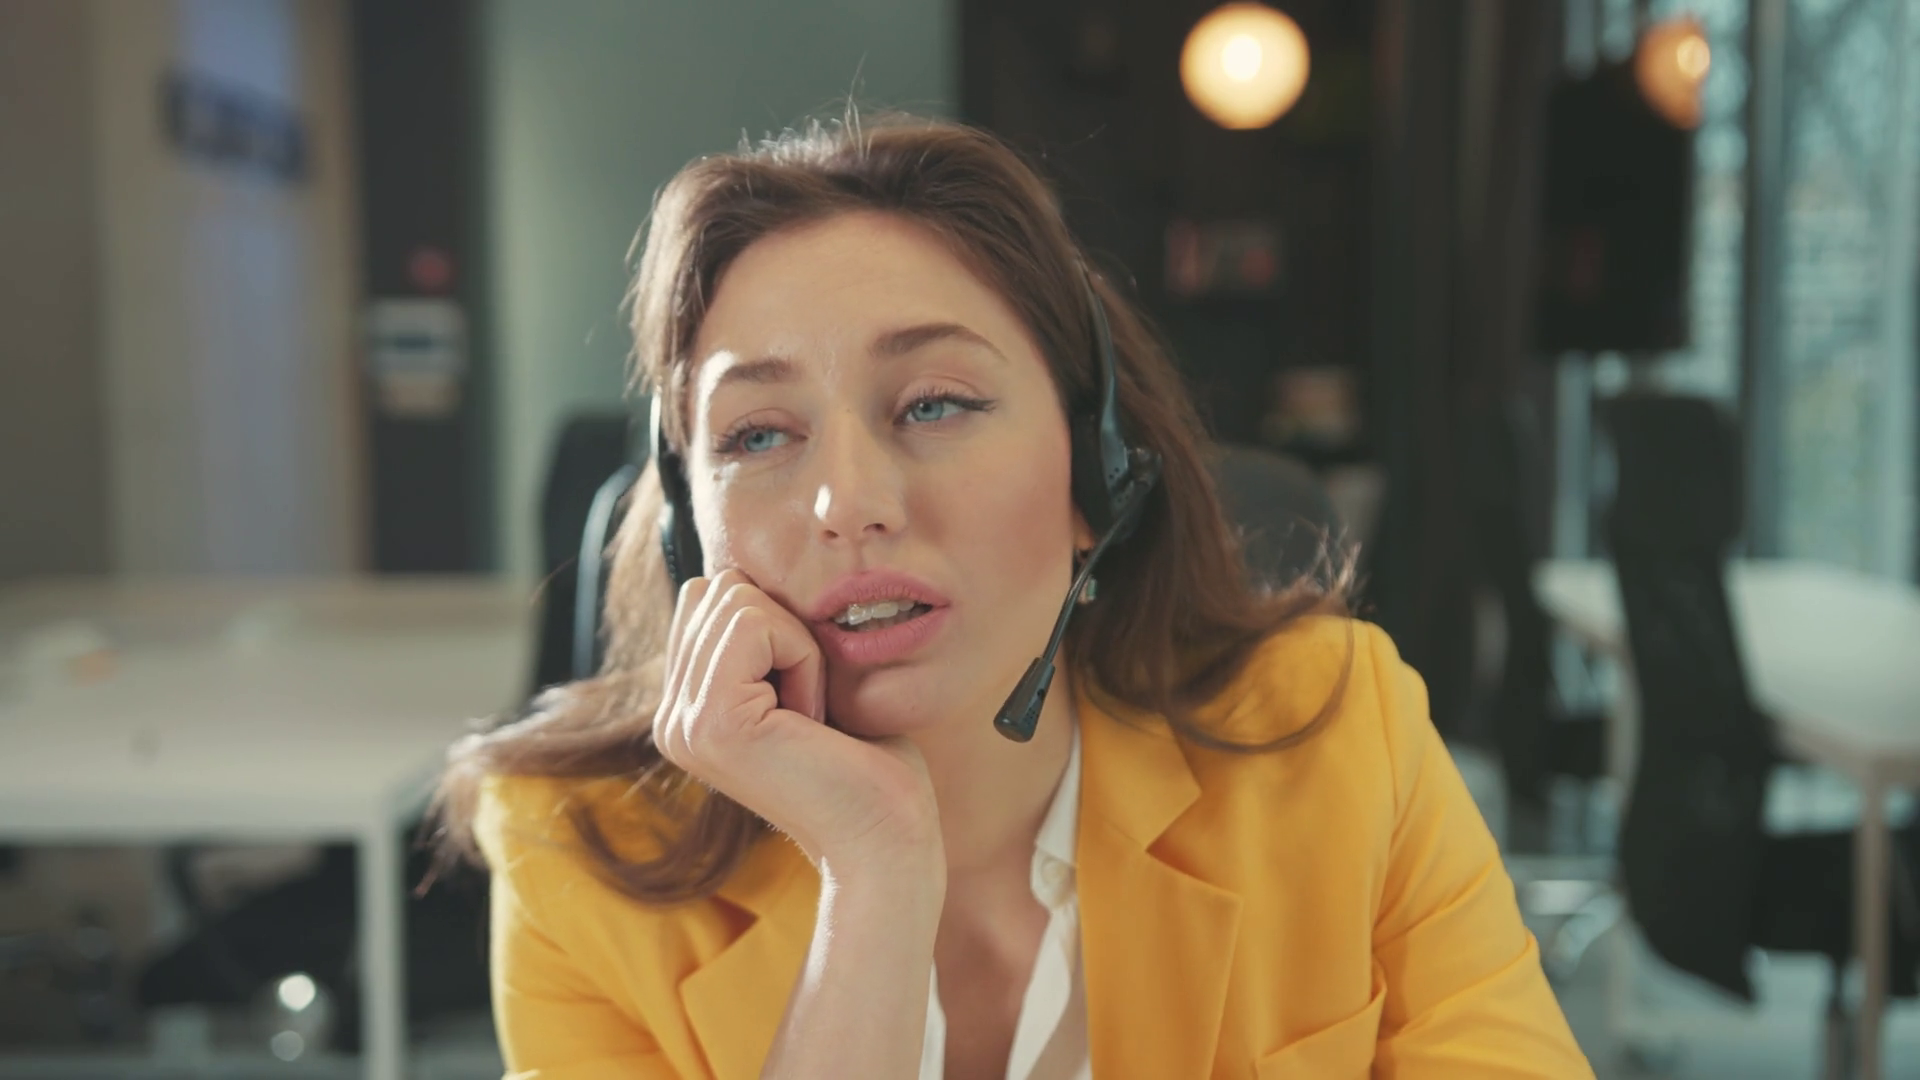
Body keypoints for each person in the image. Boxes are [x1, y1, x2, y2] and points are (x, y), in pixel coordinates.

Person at [432, 110, 1592, 1079]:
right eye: (759, 434)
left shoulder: (1337, 735)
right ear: (691, 531)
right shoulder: (572, 855)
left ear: (1098, 476)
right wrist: (873, 877)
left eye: (934, 404)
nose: (848, 502)